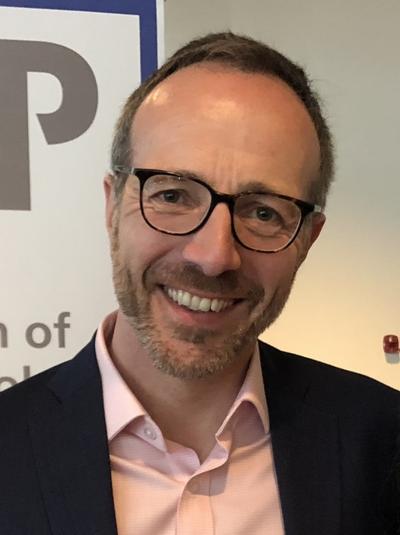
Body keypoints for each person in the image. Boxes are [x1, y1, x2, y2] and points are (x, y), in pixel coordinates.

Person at [0, 32, 398, 535]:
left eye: (263, 212)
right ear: (112, 205)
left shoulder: (382, 442)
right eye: (172, 195)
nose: (213, 257)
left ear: (307, 239)